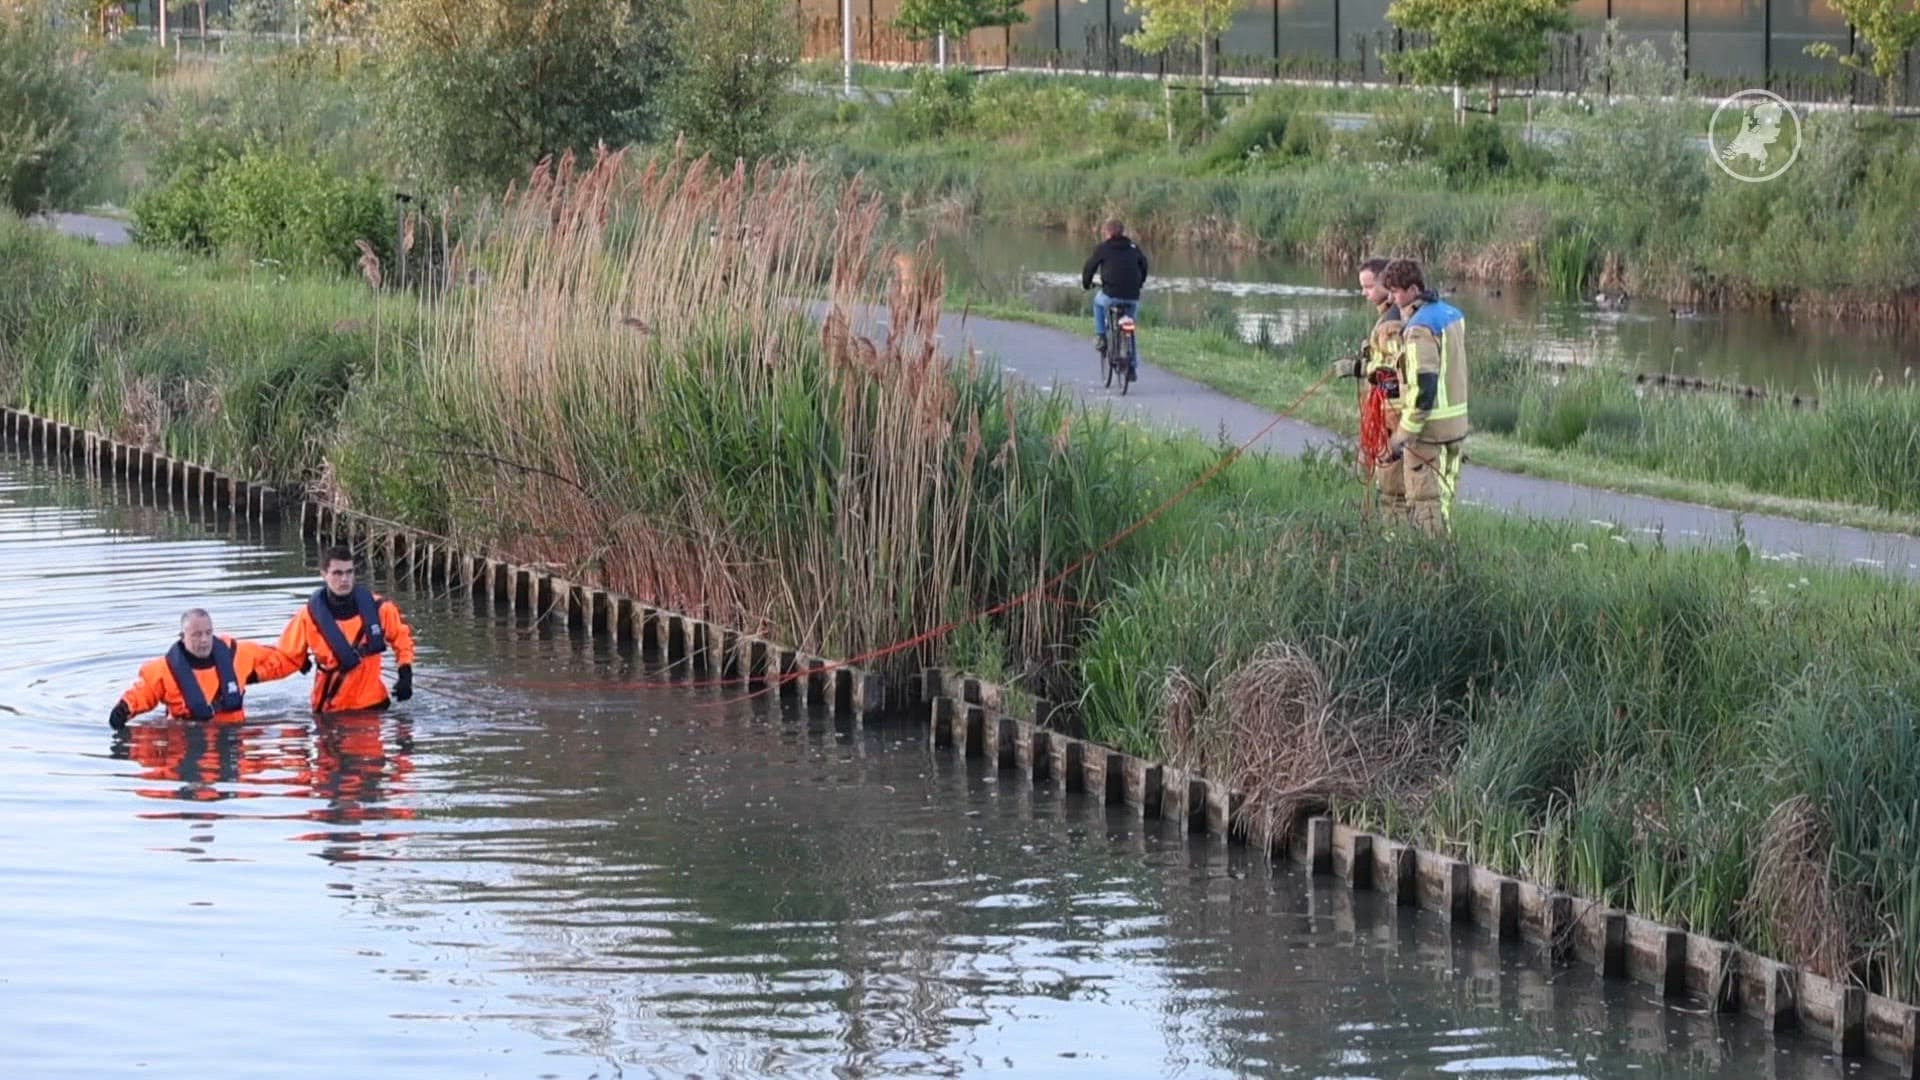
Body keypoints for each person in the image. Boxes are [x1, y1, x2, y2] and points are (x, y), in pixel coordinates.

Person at [1379, 258, 1469, 538]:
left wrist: (1403, 435)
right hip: (1456, 428)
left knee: (1424, 504)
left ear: (1413, 289)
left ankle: (1430, 566)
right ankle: (1447, 562)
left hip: (1429, 433)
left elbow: (1423, 388)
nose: (1391, 298)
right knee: (1442, 504)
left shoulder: (1418, 328)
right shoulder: (1452, 315)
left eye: (1395, 292)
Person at [277, 545, 417, 713]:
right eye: (337, 573)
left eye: (349, 572)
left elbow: (402, 639)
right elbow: (283, 657)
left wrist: (405, 672)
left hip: (372, 706)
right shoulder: (308, 617)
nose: (344, 579)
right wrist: (299, 661)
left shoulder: (380, 609)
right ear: (324, 574)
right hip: (330, 712)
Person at [109, 608, 300, 729]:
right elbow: (144, 692)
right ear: (182, 637)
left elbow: (277, 660)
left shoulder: (237, 654)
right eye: (196, 635)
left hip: (234, 735)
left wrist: (300, 658)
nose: (204, 640)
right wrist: (124, 709)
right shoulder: (164, 669)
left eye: (208, 633)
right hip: (186, 740)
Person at [1333, 257, 1408, 520]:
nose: (1364, 293)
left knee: (1393, 485)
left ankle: (1395, 542)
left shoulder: (1392, 324)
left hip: (1392, 416)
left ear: (1387, 284)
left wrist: (1359, 370)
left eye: (1368, 286)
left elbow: (1393, 370)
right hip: (1386, 414)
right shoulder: (1387, 318)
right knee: (1386, 481)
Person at [1081, 219, 1149, 381]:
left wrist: (1086, 284)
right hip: (1132, 296)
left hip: (1110, 295)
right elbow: (1144, 265)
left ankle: (1101, 336)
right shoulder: (1133, 248)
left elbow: (1089, 267)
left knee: (1098, 302)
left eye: (1105, 233)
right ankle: (1131, 367)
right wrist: (1140, 283)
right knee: (1130, 327)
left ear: (1108, 233)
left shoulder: (1103, 248)